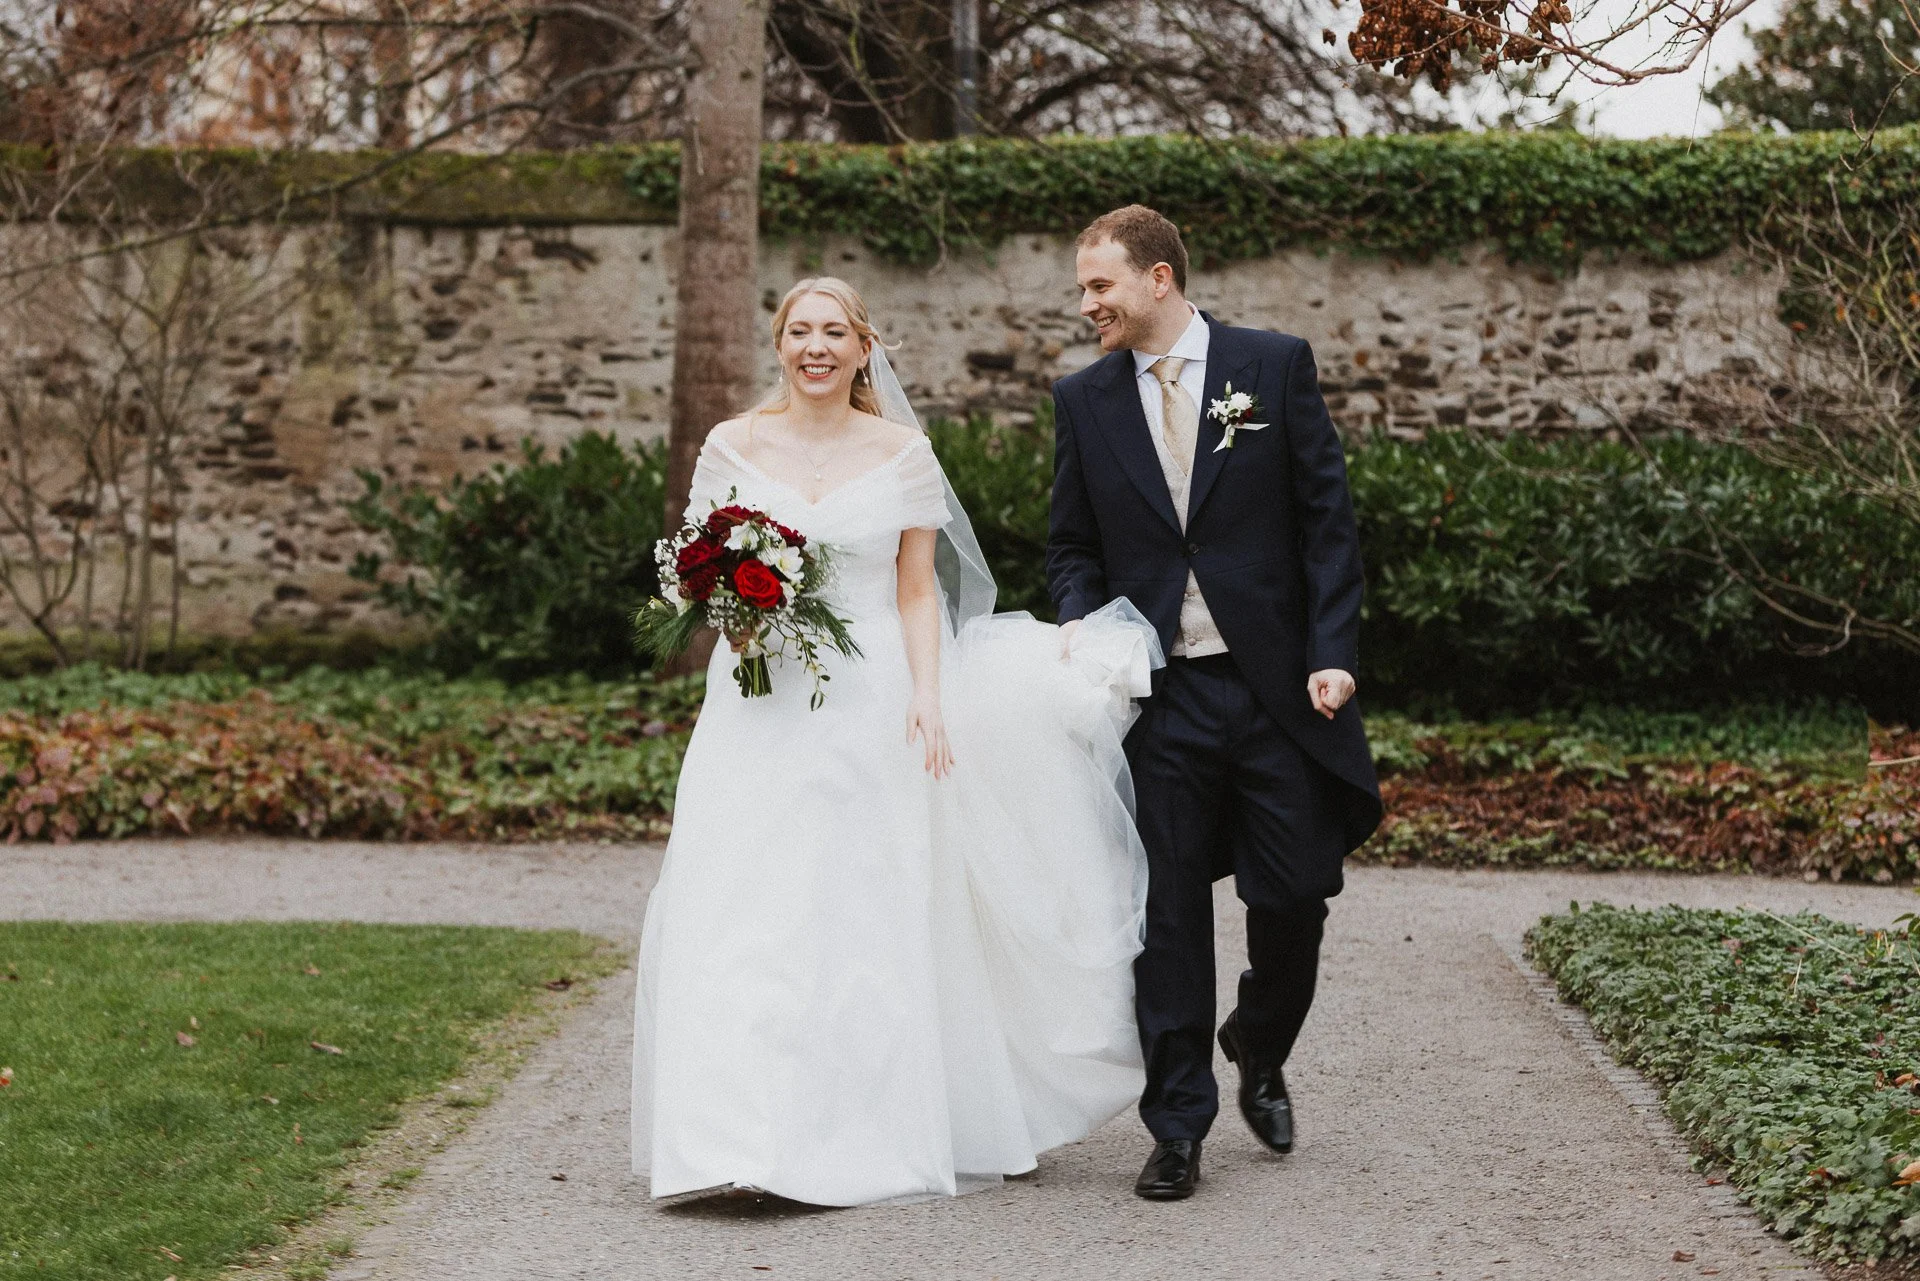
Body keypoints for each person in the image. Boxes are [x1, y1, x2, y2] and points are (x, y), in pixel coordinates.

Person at [631, 276, 1161, 1207]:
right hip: (757, 698)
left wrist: (928, 694)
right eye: (799, 331)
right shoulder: (732, 445)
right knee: (744, 898)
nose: (816, 346)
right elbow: (693, 564)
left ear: (864, 346)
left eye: (834, 331)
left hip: (871, 692)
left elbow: (918, 588)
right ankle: (729, 1136)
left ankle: (852, 1129)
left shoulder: (904, 452)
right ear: (780, 344)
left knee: (857, 902)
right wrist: (732, 608)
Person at [1046, 206, 1384, 1201]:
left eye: (1100, 286)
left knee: (1293, 896)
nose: (1086, 304)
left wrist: (1334, 653)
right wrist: (1083, 627)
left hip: (1278, 687)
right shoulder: (1084, 400)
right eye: (1082, 288)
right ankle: (1180, 1123)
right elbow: (1072, 546)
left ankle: (1259, 1040)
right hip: (1160, 695)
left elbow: (1327, 524)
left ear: (1159, 279)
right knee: (1169, 913)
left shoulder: (1271, 366)